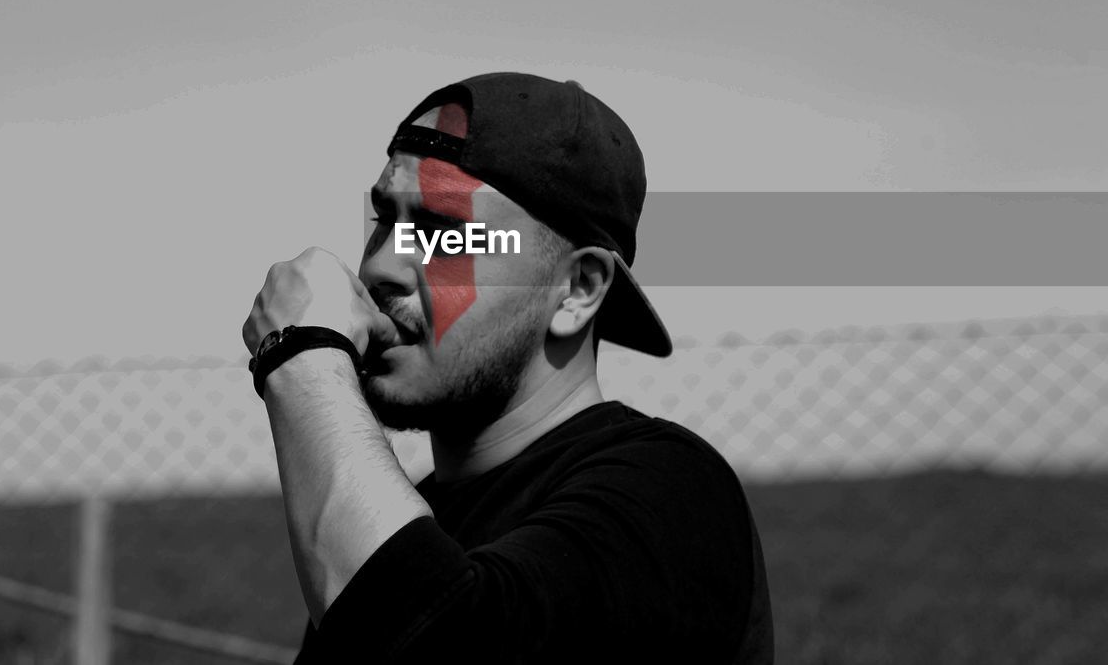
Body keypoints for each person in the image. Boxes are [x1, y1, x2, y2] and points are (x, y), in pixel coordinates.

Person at [242, 72, 773, 664]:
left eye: (443, 232)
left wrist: (302, 354)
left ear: (577, 289)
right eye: (386, 221)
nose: (382, 268)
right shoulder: (407, 525)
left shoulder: (671, 492)